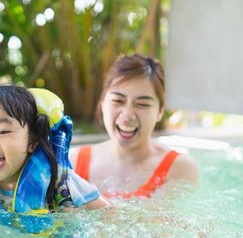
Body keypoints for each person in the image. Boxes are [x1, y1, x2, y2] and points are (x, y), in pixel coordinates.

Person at [0, 85, 108, 228]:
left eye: (3, 131)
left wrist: (76, 220)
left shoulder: (62, 183)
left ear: (32, 140)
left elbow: (109, 214)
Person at [69, 54, 198, 198]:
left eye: (142, 104)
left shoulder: (179, 168)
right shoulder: (73, 163)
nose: (128, 115)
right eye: (118, 101)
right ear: (102, 104)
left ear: (160, 112)